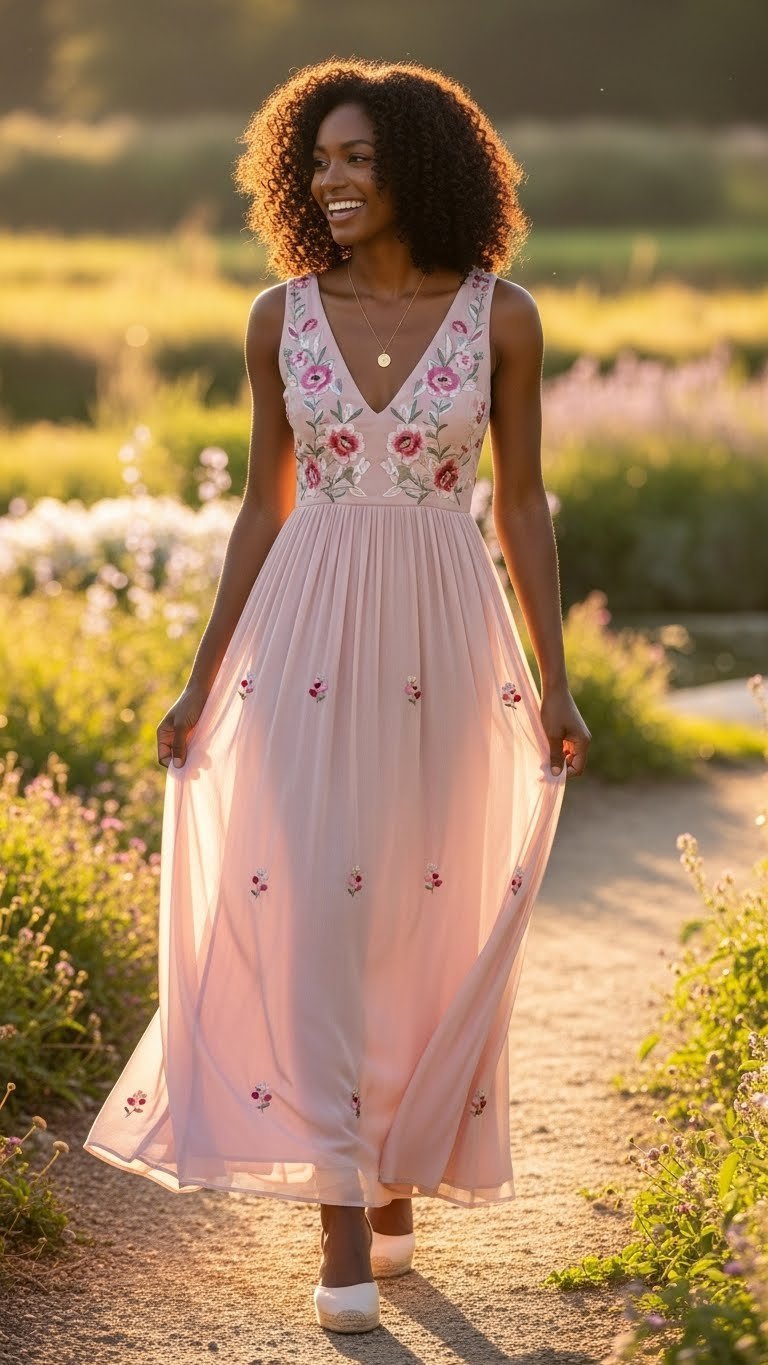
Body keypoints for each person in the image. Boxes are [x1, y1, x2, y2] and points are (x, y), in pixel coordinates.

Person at [82, 57, 591, 1335]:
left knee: (425, 908)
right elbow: (267, 505)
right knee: (311, 905)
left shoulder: (502, 317)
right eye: (318, 163)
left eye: (358, 159)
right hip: (303, 636)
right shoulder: (279, 318)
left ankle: (397, 1162)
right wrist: (203, 681)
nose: (334, 182)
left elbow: (519, 504)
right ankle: (343, 1220)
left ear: (419, 165)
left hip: (446, 638)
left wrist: (558, 684)